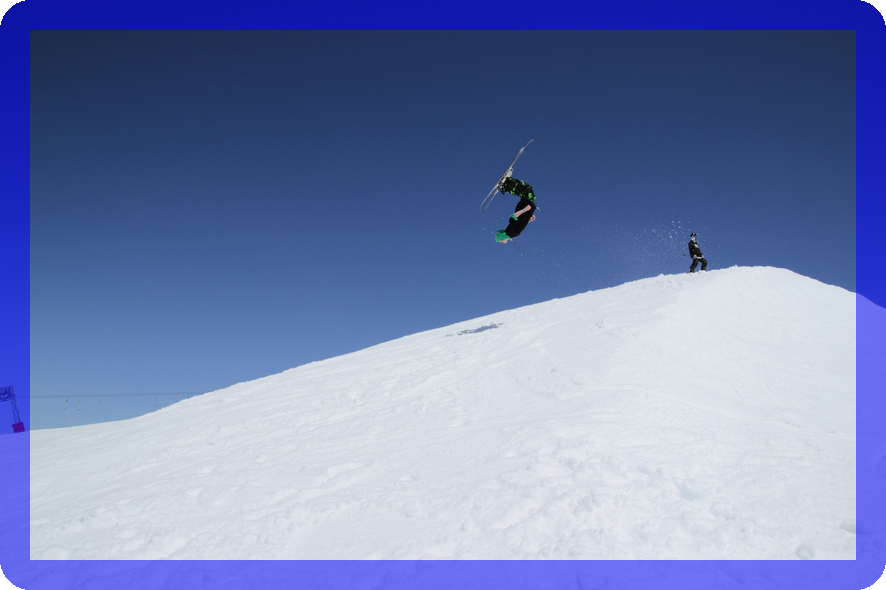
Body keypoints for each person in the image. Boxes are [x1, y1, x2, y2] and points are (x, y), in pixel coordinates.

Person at [494, 176, 538, 243]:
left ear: (502, 238)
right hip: (527, 207)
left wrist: (525, 209)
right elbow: (520, 223)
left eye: (500, 241)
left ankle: (506, 183)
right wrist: (529, 220)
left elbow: (513, 217)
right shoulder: (512, 234)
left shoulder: (511, 232)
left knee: (527, 190)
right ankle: (505, 186)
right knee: (524, 192)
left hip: (526, 206)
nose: (502, 242)